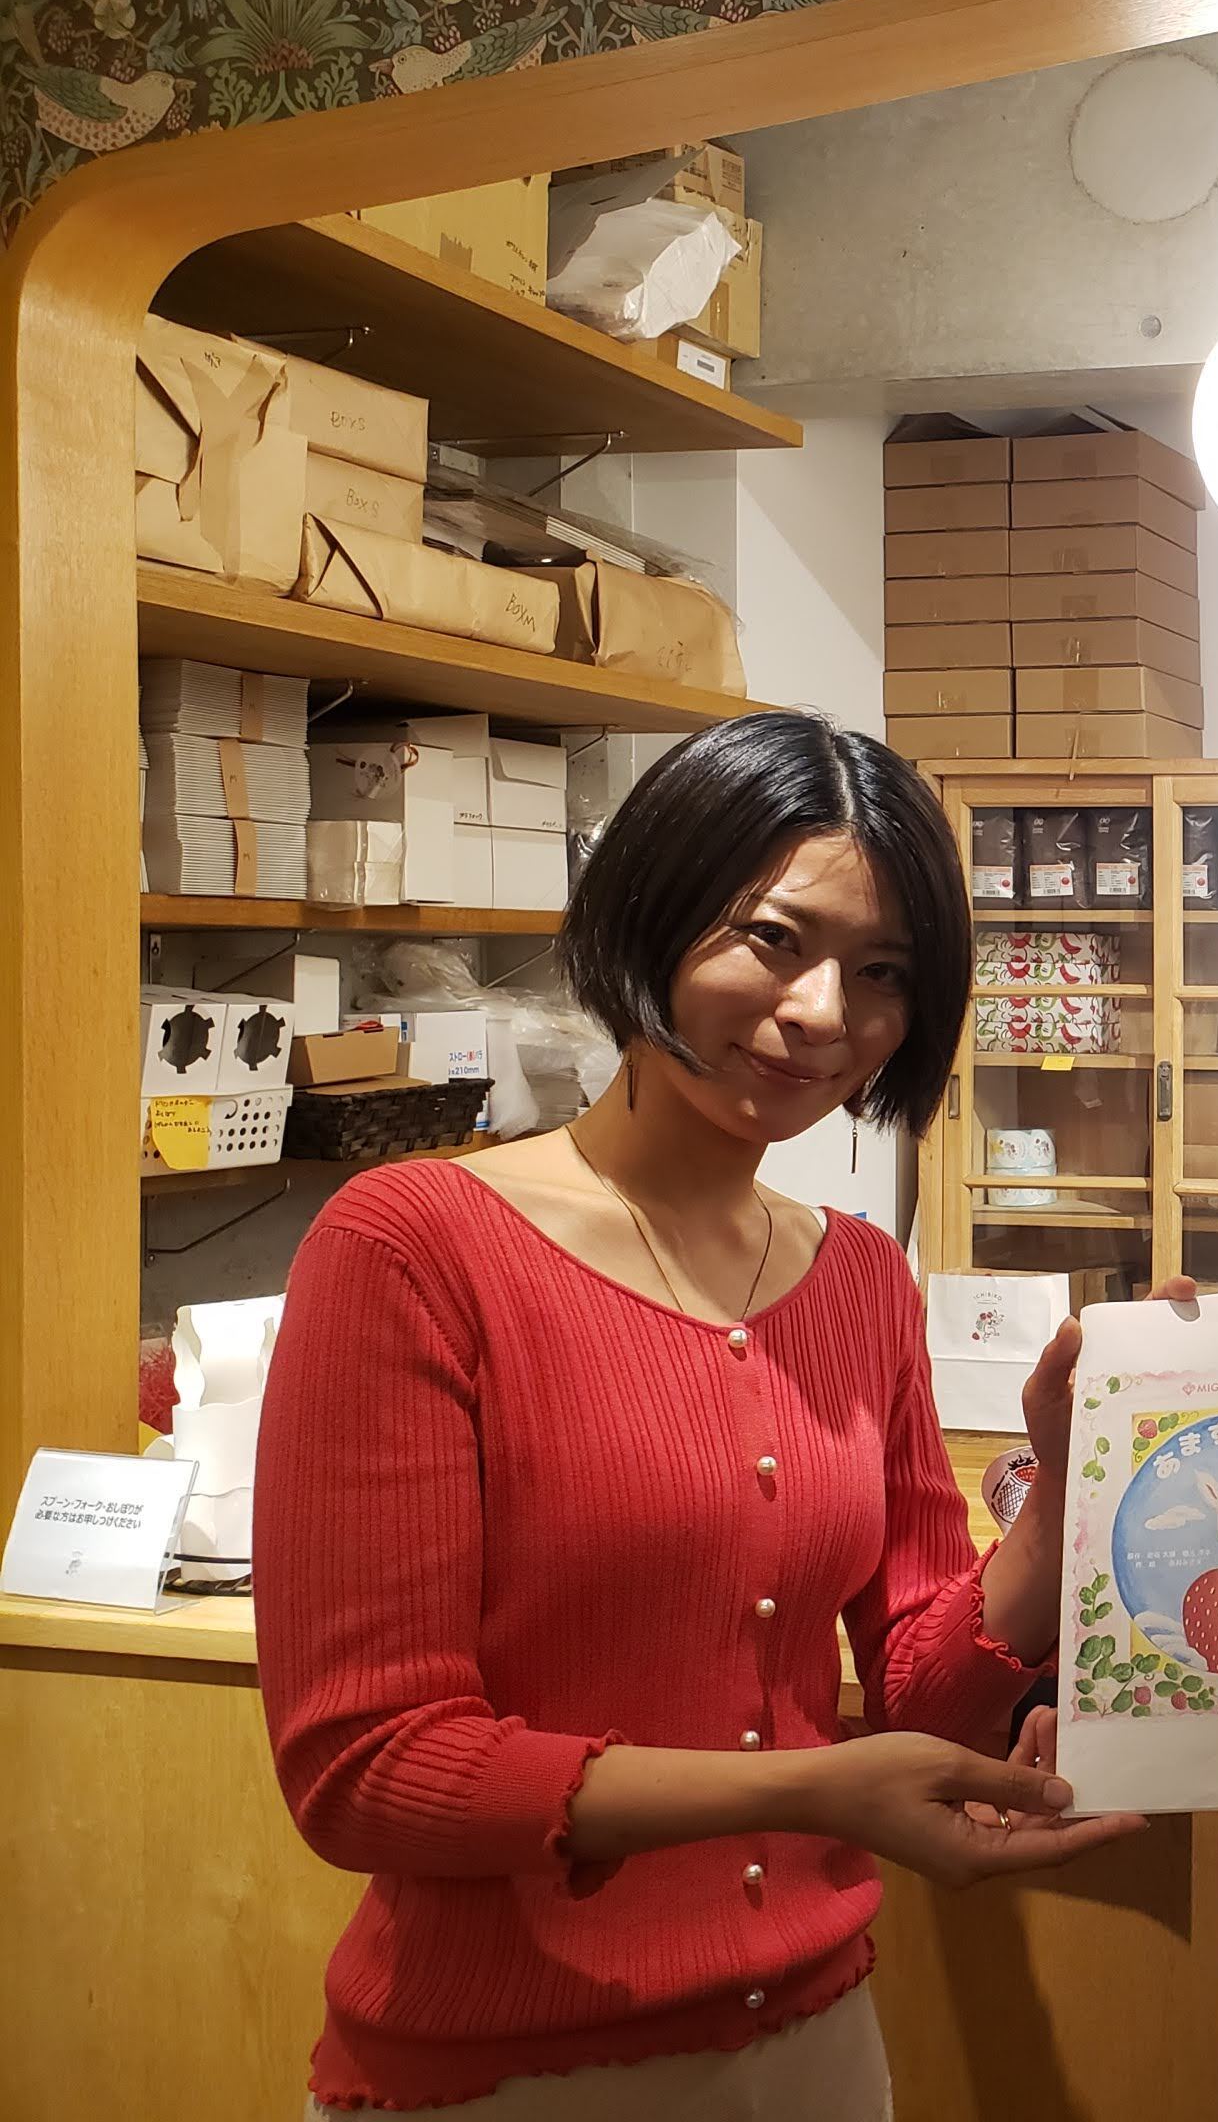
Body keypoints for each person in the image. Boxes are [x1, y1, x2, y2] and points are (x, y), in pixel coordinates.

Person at [257, 710, 1155, 2118]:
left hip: (818, 2045)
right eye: (775, 939)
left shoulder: (858, 1277)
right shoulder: (413, 1247)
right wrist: (805, 1793)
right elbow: (368, 1770)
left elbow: (922, 1691)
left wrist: (1072, 1487)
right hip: (498, 2074)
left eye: (885, 972)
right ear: (654, 911)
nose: (826, 1013)